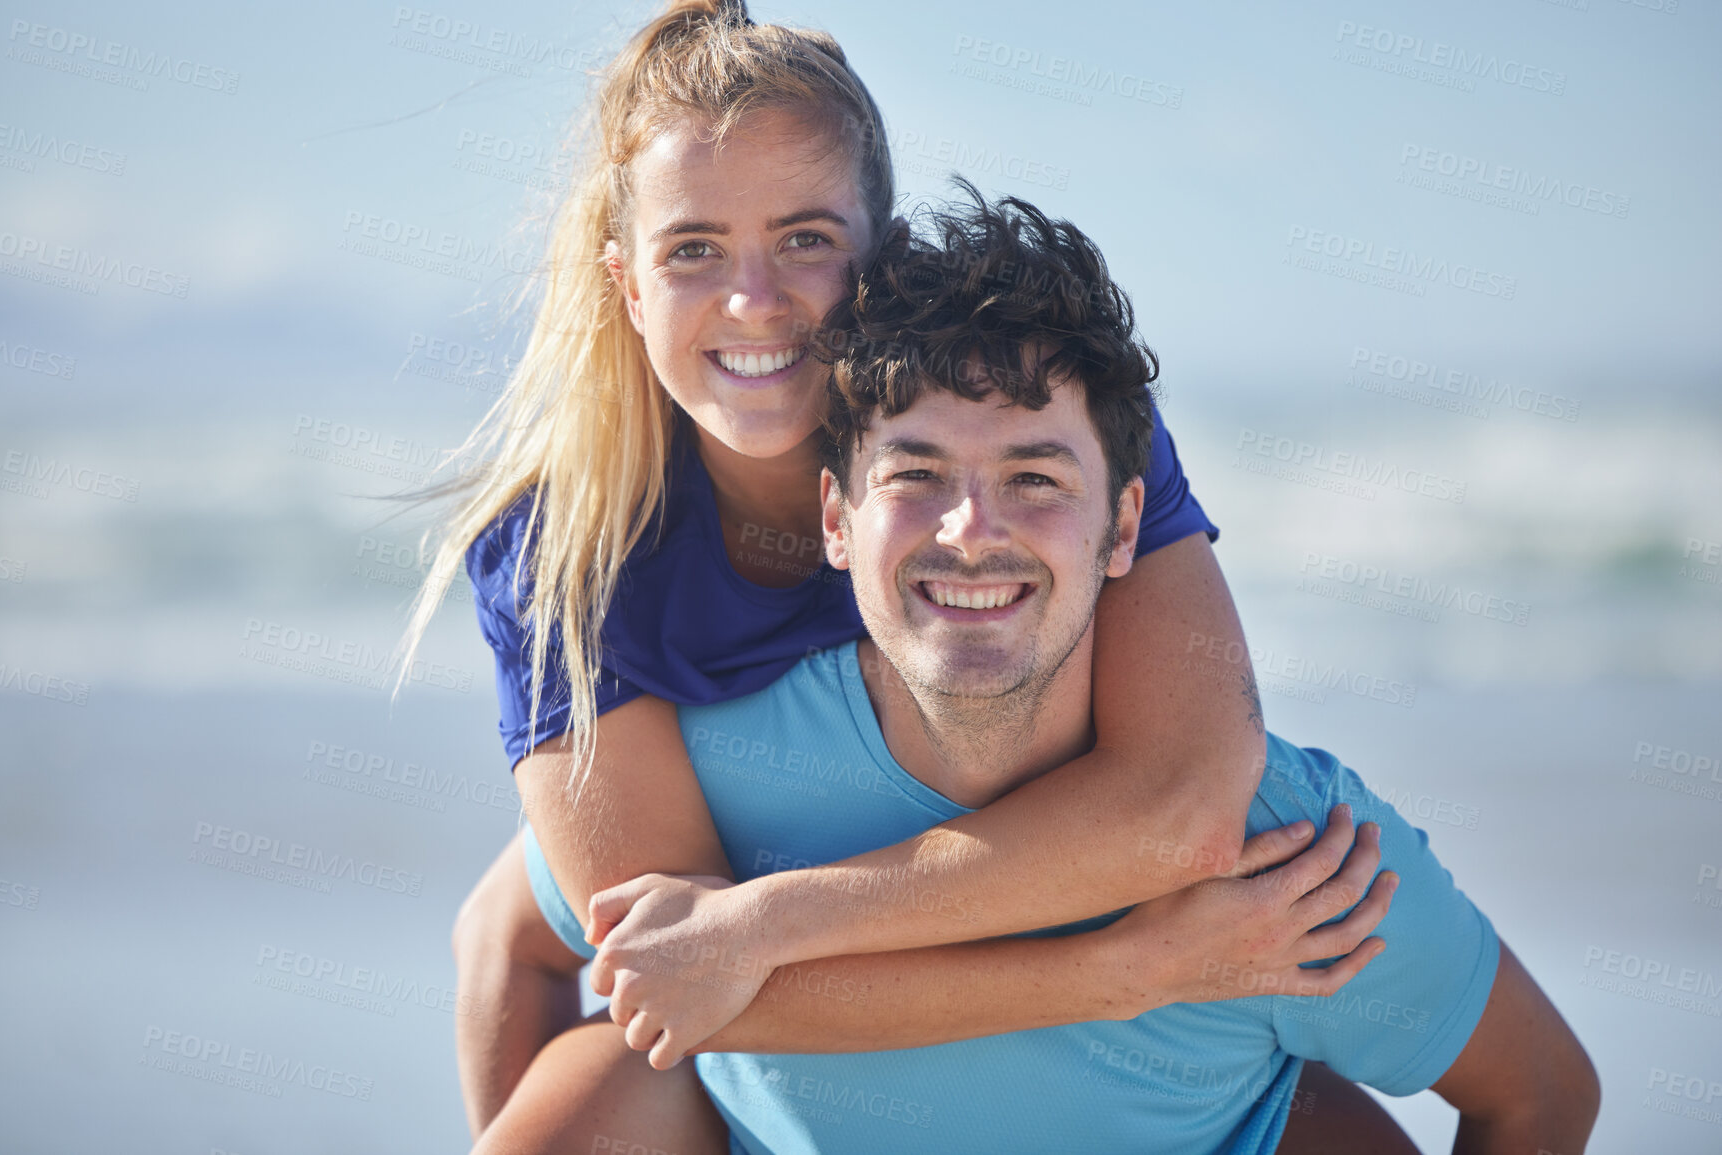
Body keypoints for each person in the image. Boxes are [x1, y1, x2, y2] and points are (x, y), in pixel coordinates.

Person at [396, 0, 1388, 1144]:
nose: (754, 302)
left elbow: (1180, 803)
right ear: (628, 284)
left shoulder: (1029, 433)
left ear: (884, 250)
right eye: (694, 250)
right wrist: (1130, 971)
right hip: (713, 837)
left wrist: (763, 921)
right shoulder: (557, 549)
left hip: (842, 845)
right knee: (512, 932)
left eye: (807, 240)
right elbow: (675, 974)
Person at [480, 190, 1601, 1153]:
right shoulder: (729, 764)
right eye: (916, 472)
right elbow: (512, 939)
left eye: (1034, 480)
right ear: (836, 518)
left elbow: (1543, 1094)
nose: (971, 530)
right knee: (599, 1088)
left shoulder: (1287, 862)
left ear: (1126, 528)